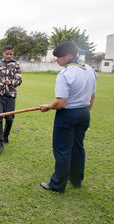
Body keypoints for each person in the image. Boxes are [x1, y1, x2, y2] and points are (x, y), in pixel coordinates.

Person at [39, 41, 97, 193]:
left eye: (59, 57)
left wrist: (48, 107)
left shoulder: (65, 74)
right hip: (84, 113)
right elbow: (92, 97)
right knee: (78, 148)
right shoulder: (90, 70)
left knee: (63, 151)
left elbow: (61, 102)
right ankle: (76, 180)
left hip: (67, 115)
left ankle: (57, 185)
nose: (57, 60)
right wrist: (84, 111)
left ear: (69, 56)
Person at [0, 45, 22, 155]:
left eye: (11, 54)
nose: (9, 55)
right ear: (3, 53)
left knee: (9, 119)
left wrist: (11, 82)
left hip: (10, 95)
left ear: (13, 54)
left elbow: (19, 81)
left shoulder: (16, 65)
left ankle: (5, 135)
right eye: (7, 53)